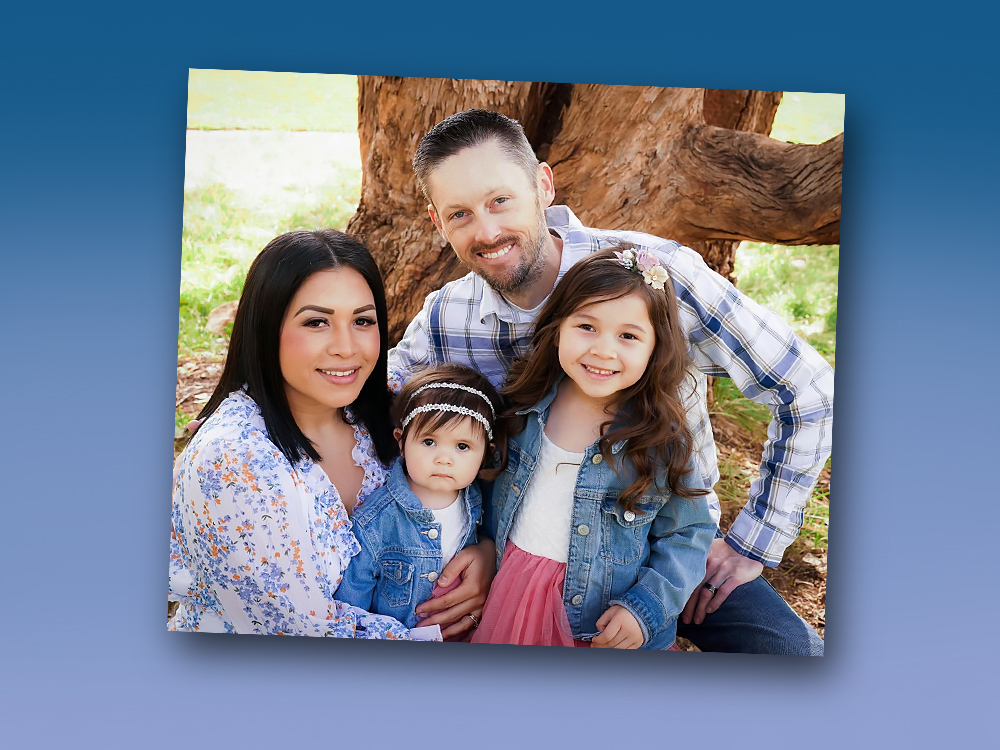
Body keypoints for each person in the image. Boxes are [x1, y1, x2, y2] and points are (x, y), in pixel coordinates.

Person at [390, 109, 833, 654]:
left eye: (500, 200)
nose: (487, 230)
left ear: (543, 185)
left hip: (663, 536)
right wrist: (478, 542)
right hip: (518, 555)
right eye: (460, 213)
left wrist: (752, 543)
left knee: (793, 656)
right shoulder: (447, 318)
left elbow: (807, 390)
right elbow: (376, 400)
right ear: (438, 222)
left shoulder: (654, 275)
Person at [169, 230, 463, 638]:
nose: (346, 347)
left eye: (362, 320)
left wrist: (482, 553)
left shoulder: (393, 404)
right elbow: (302, 631)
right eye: (317, 322)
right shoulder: (233, 461)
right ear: (266, 328)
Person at [471, 248, 716, 649]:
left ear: (655, 348)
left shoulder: (660, 439)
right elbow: (483, 491)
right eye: (587, 326)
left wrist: (645, 610)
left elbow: (688, 533)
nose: (604, 350)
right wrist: (480, 545)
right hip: (513, 588)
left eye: (628, 336)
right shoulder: (523, 408)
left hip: (599, 619)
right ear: (558, 327)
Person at [337, 363, 505, 636]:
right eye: (429, 442)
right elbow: (352, 600)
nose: (444, 458)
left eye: (462, 446)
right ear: (401, 442)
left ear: (486, 453)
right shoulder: (376, 521)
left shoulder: (476, 501)